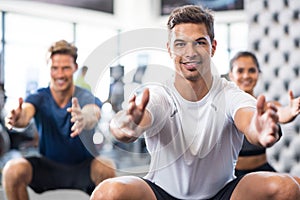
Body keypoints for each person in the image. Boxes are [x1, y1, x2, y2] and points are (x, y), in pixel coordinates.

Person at [90, 5, 300, 200]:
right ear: (170, 49)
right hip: (161, 192)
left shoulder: (229, 93)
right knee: (107, 193)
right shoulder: (160, 94)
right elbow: (124, 127)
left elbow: (248, 119)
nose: (190, 53)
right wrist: (127, 124)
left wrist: (259, 130)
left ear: (213, 47)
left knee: (287, 188)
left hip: (222, 192)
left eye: (199, 42)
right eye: (180, 44)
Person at [2, 40, 116, 200]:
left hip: (82, 168)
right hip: (48, 167)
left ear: (75, 68)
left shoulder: (84, 96)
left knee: (107, 168)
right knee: (12, 170)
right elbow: (25, 114)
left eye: (66, 68)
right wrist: (17, 118)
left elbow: (93, 112)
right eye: (55, 68)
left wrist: (84, 117)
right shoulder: (39, 97)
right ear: (48, 68)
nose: (60, 74)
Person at [228, 51, 300, 182]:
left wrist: (290, 111)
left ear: (258, 74)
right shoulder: (226, 107)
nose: (246, 75)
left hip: (262, 170)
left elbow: (281, 113)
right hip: (233, 175)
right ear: (231, 75)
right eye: (240, 71)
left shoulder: (267, 106)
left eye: (251, 70)